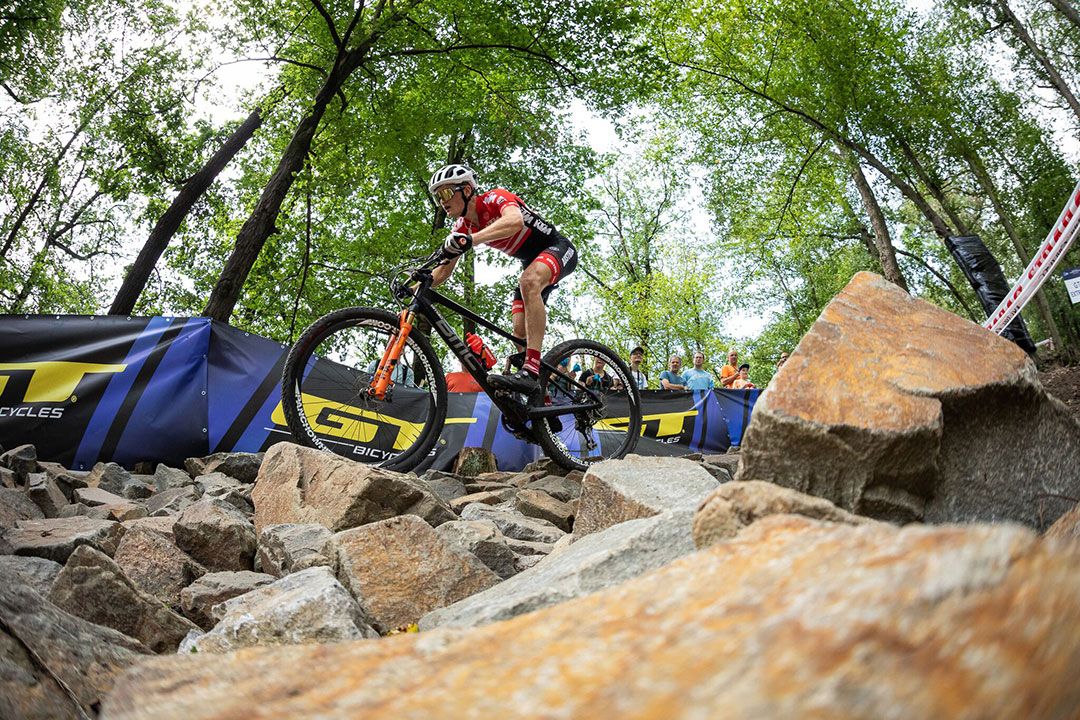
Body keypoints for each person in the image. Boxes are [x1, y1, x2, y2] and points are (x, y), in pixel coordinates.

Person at [427, 164, 578, 395]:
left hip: (557, 247)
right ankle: (540, 398)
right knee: (518, 333)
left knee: (529, 281)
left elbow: (515, 221)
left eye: (446, 193)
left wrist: (472, 239)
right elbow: (443, 271)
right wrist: (416, 287)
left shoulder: (494, 198)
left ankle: (531, 372)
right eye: (438, 197)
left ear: (466, 191)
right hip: (531, 263)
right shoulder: (461, 227)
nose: (442, 201)